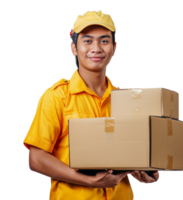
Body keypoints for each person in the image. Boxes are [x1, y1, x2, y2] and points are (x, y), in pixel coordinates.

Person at [21, 9, 161, 200]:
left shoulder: (129, 99)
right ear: (73, 48)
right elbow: (36, 159)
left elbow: (138, 151)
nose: (96, 48)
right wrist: (87, 180)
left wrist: (147, 172)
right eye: (87, 41)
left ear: (115, 47)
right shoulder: (56, 96)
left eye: (104, 41)